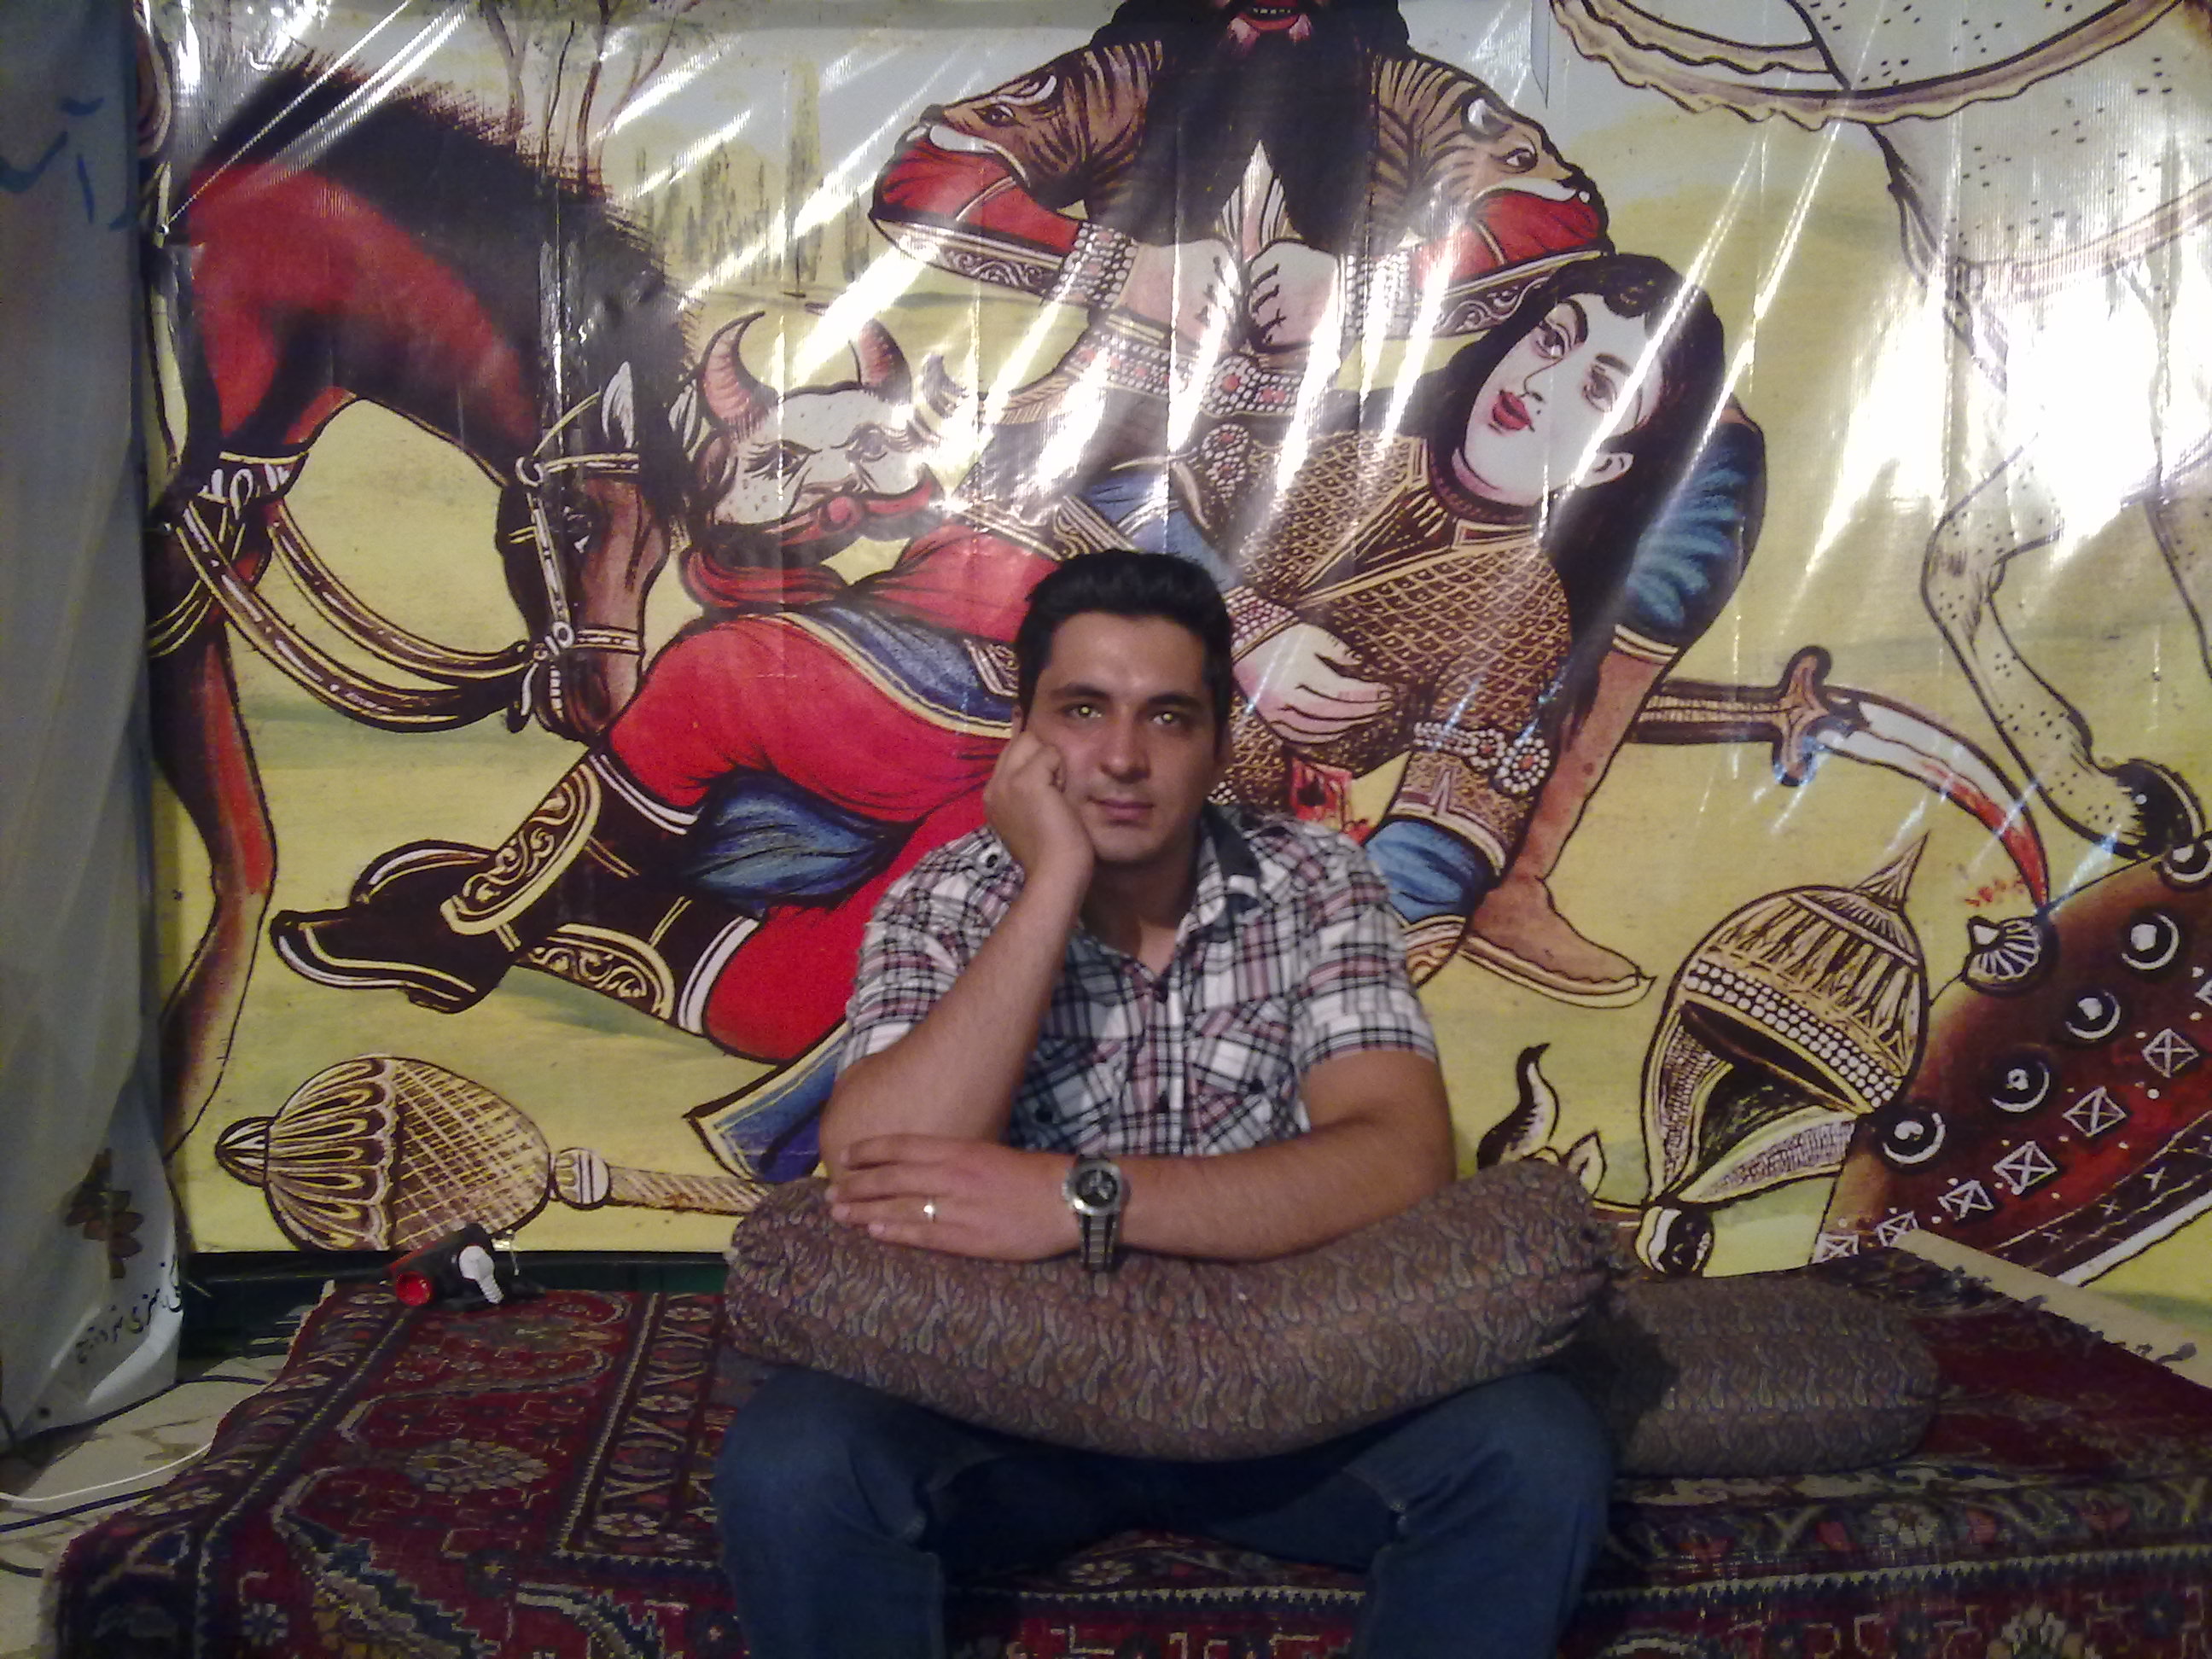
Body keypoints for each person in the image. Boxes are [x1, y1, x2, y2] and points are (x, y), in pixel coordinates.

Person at [713, 550, 1613, 1658]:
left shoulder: (1318, 883)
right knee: (796, 1460)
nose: (1124, 758)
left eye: (1169, 718)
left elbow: (1398, 1155)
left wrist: (1079, 1200)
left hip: (1282, 1392)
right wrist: (1050, 886)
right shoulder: (943, 898)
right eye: (1083, 710)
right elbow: (878, 1160)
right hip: (1001, 1393)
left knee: (1537, 1446)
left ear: (1222, 742)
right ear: (1023, 732)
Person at [1213, 253, 1739, 983]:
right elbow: (1121, 504)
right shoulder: (1350, 451)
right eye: (1551, 339)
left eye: (1597, 390)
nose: (1539, 381)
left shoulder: (1526, 616)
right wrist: (1240, 623)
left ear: (1605, 468)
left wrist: (1306, 972)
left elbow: (1440, 846)